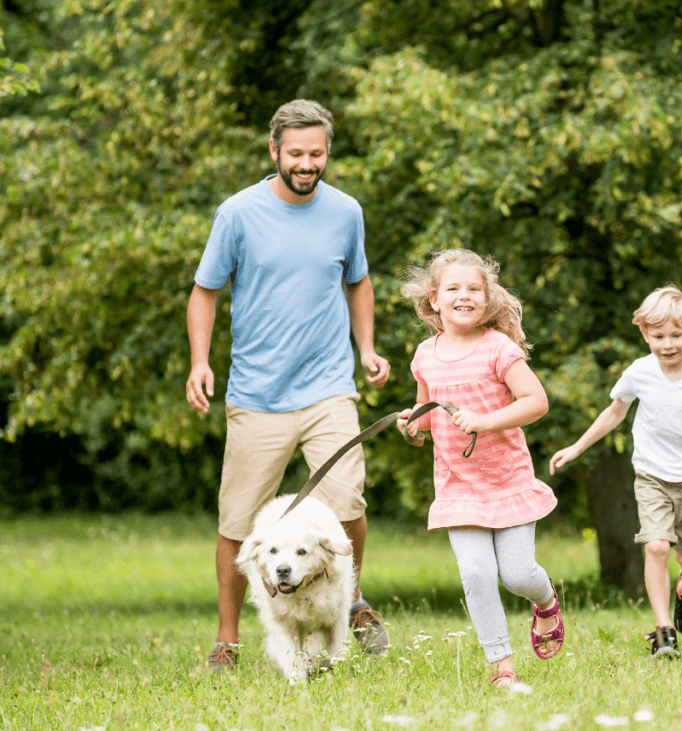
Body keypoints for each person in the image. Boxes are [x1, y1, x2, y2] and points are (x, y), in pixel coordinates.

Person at [185, 99, 393, 671]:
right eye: (296, 153)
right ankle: (226, 642)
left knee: (348, 497)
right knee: (238, 520)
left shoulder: (346, 211)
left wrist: (367, 348)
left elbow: (359, 280)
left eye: (317, 154)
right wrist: (200, 361)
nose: (307, 164)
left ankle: (352, 602)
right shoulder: (237, 213)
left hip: (328, 386)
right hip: (257, 395)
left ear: (328, 152)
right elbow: (205, 292)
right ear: (274, 150)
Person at [395, 249, 565, 688]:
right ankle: (501, 669)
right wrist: (412, 427)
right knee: (475, 574)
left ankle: (545, 601)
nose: (464, 296)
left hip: (507, 480)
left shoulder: (498, 347)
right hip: (458, 487)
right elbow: (426, 412)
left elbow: (536, 401)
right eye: (453, 289)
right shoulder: (424, 355)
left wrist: (486, 421)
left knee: (517, 574)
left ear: (487, 299)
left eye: (474, 289)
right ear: (434, 299)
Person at [550, 286, 682, 657]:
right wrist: (576, 447)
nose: (668, 344)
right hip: (651, 476)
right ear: (644, 334)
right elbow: (614, 413)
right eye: (658, 337)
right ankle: (663, 628)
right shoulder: (639, 371)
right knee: (655, 547)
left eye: (676, 336)